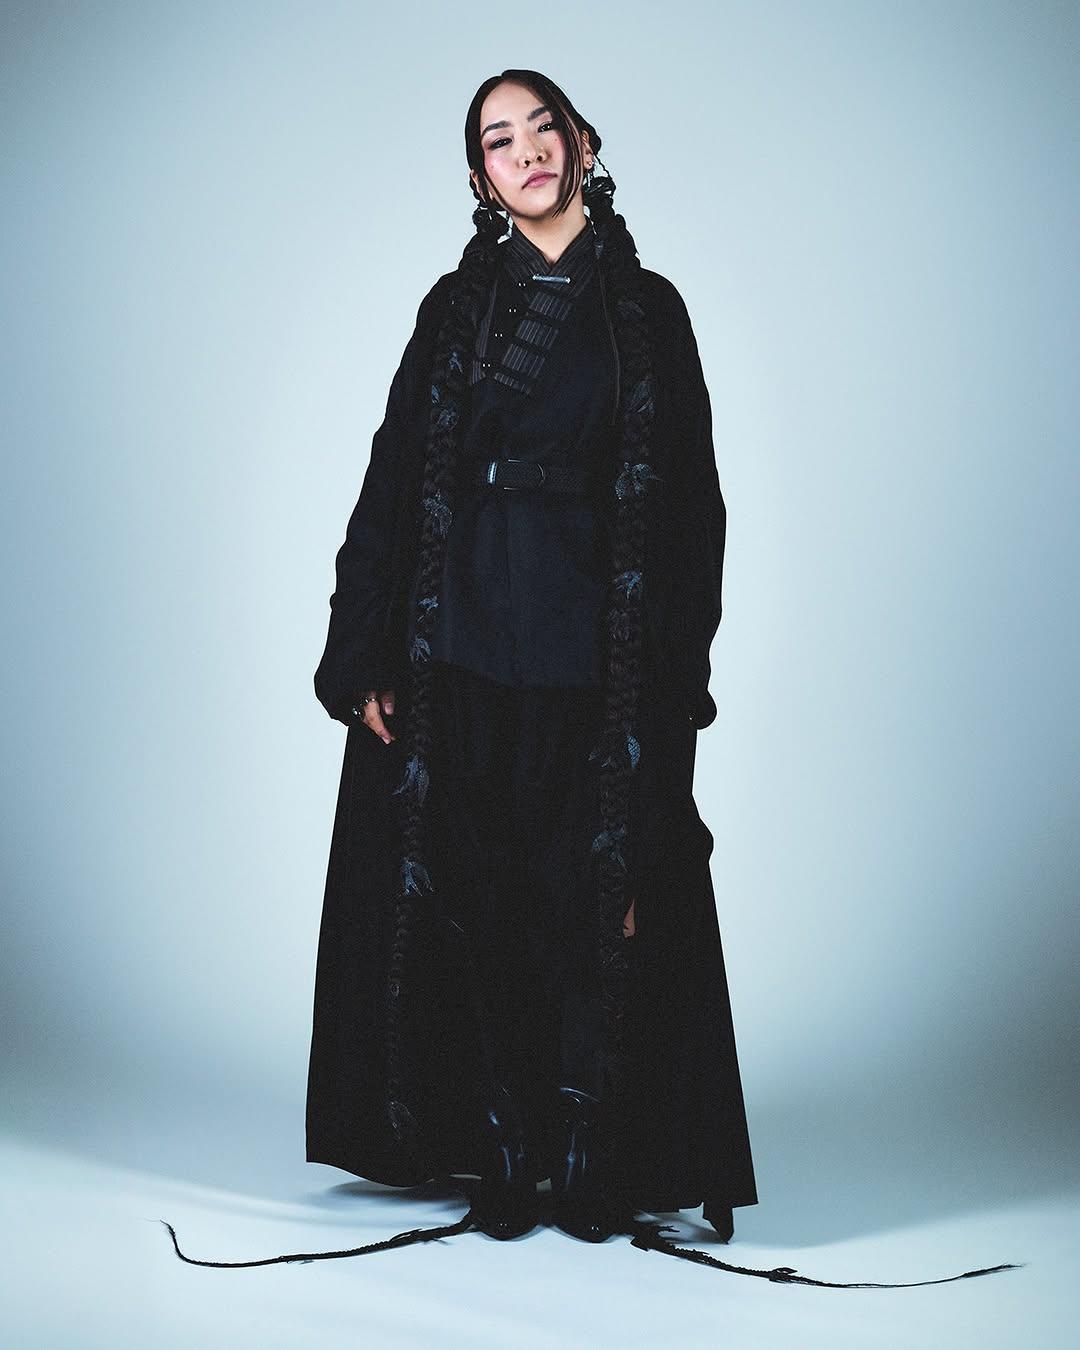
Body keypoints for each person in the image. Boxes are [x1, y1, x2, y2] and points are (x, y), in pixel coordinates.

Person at [306, 68, 758, 1246]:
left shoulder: (648, 311)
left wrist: (676, 670)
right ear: (481, 179)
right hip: (462, 639)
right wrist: (363, 650)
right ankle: (504, 1141)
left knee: (595, 898)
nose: (527, 152)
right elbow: (394, 479)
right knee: (482, 896)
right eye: (500, 142)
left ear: (584, 143)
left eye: (543, 128)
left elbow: (694, 509)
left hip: (593, 646)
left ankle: (594, 1144)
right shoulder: (454, 311)